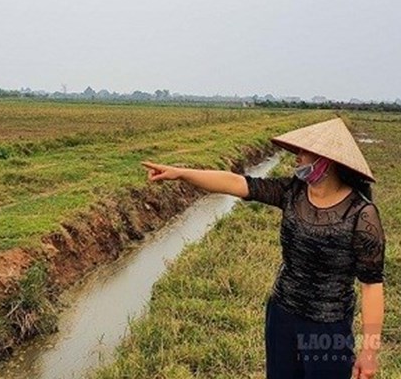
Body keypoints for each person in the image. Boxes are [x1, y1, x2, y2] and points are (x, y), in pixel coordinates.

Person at [141, 117, 385, 379]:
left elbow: (371, 285)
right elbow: (236, 183)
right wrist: (181, 173)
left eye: (304, 152)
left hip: (327, 329)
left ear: (327, 160)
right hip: (282, 316)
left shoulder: (361, 214)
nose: (297, 157)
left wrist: (369, 352)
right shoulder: (292, 192)